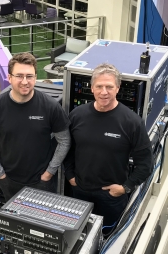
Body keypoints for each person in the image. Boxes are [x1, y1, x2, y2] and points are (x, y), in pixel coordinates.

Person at [64, 62, 152, 231]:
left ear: (118, 88)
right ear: (92, 88)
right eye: (99, 86)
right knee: (79, 235)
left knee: (108, 237)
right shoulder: (77, 115)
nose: (104, 92)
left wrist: (125, 188)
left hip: (112, 196)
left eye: (109, 87)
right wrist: (70, 176)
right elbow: (67, 149)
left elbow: (146, 164)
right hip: (80, 191)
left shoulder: (132, 122)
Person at [0, 52, 71, 202]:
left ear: (35, 77)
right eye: (19, 76)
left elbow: (64, 141)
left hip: (42, 182)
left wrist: (49, 173)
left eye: (29, 76)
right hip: (9, 180)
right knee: (16, 222)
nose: (24, 81)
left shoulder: (50, 106)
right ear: (9, 78)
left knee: (41, 223)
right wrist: (0, 173)